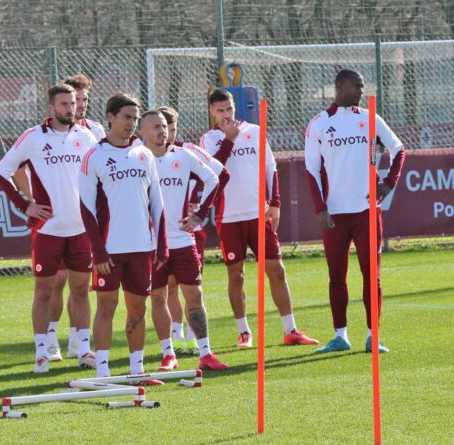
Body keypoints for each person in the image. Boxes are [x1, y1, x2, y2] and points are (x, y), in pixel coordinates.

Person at [201, 89, 317, 348]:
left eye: (229, 108)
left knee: (276, 269)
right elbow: (213, 172)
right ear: (211, 111)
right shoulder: (209, 140)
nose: (225, 115)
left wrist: (274, 203)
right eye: (220, 110)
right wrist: (229, 140)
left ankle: (291, 329)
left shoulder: (254, 131)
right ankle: (243, 331)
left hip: (258, 213)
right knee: (236, 274)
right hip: (228, 217)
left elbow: (270, 168)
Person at [0, 84, 98, 372]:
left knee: (81, 291)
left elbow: (96, 177)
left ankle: (84, 350)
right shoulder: (33, 137)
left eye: (73, 103)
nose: (71, 108)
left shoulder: (86, 136)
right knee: (44, 290)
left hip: (80, 230)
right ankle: (42, 351)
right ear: (51, 108)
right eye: (64, 104)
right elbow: (2, 172)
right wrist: (24, 204)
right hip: (48, 229)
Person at [305, 69, 405, 354]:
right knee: (336, 276)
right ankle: (340, 336)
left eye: (363, 86)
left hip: (366, 212)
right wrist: (320, 208)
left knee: (371, 276)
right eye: (356, 85)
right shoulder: (320, 124)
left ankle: (373, 336)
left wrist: (388, 184)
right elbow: (311, 170)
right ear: (340, 86)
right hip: (334, 215)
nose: (361, 90)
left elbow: (398, 150)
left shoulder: (370, 118)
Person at [79, 92, 168, 381]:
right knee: (106, 308)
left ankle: (137, 370)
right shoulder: (95, 156)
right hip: (110, 250)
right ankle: (103, 372)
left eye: (135, 118)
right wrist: (98, 251)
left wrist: (161, 246)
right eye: (126, 117)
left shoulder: (144, 154)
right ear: (110, 117)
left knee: (138, 308)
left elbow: (158, 203)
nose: (131, 123)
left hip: (141, 247)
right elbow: (86, 208)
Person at [139, 110, 228, 371]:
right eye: (155, 127)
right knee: (158, 297)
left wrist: (200, 214)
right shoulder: (137, 160)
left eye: (165, 126)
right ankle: (168, 353)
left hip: (183, 240)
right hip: (150, 245)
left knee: (194, 294)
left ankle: (206, 353)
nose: (162, 131)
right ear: (143, 131)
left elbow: (214, 178)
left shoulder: (183, 155)